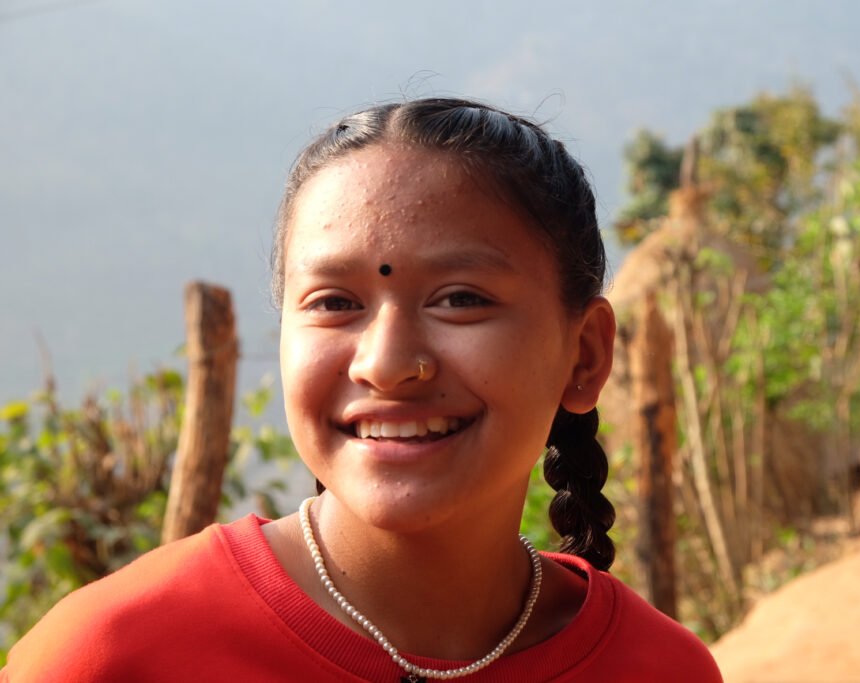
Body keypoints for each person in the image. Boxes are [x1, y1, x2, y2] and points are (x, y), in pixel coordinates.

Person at [2, 98, 722, 682]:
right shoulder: (111, 657)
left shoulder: (662, 670)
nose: (387, 364)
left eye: (461, 299)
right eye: (334, 303)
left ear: (585, 354)